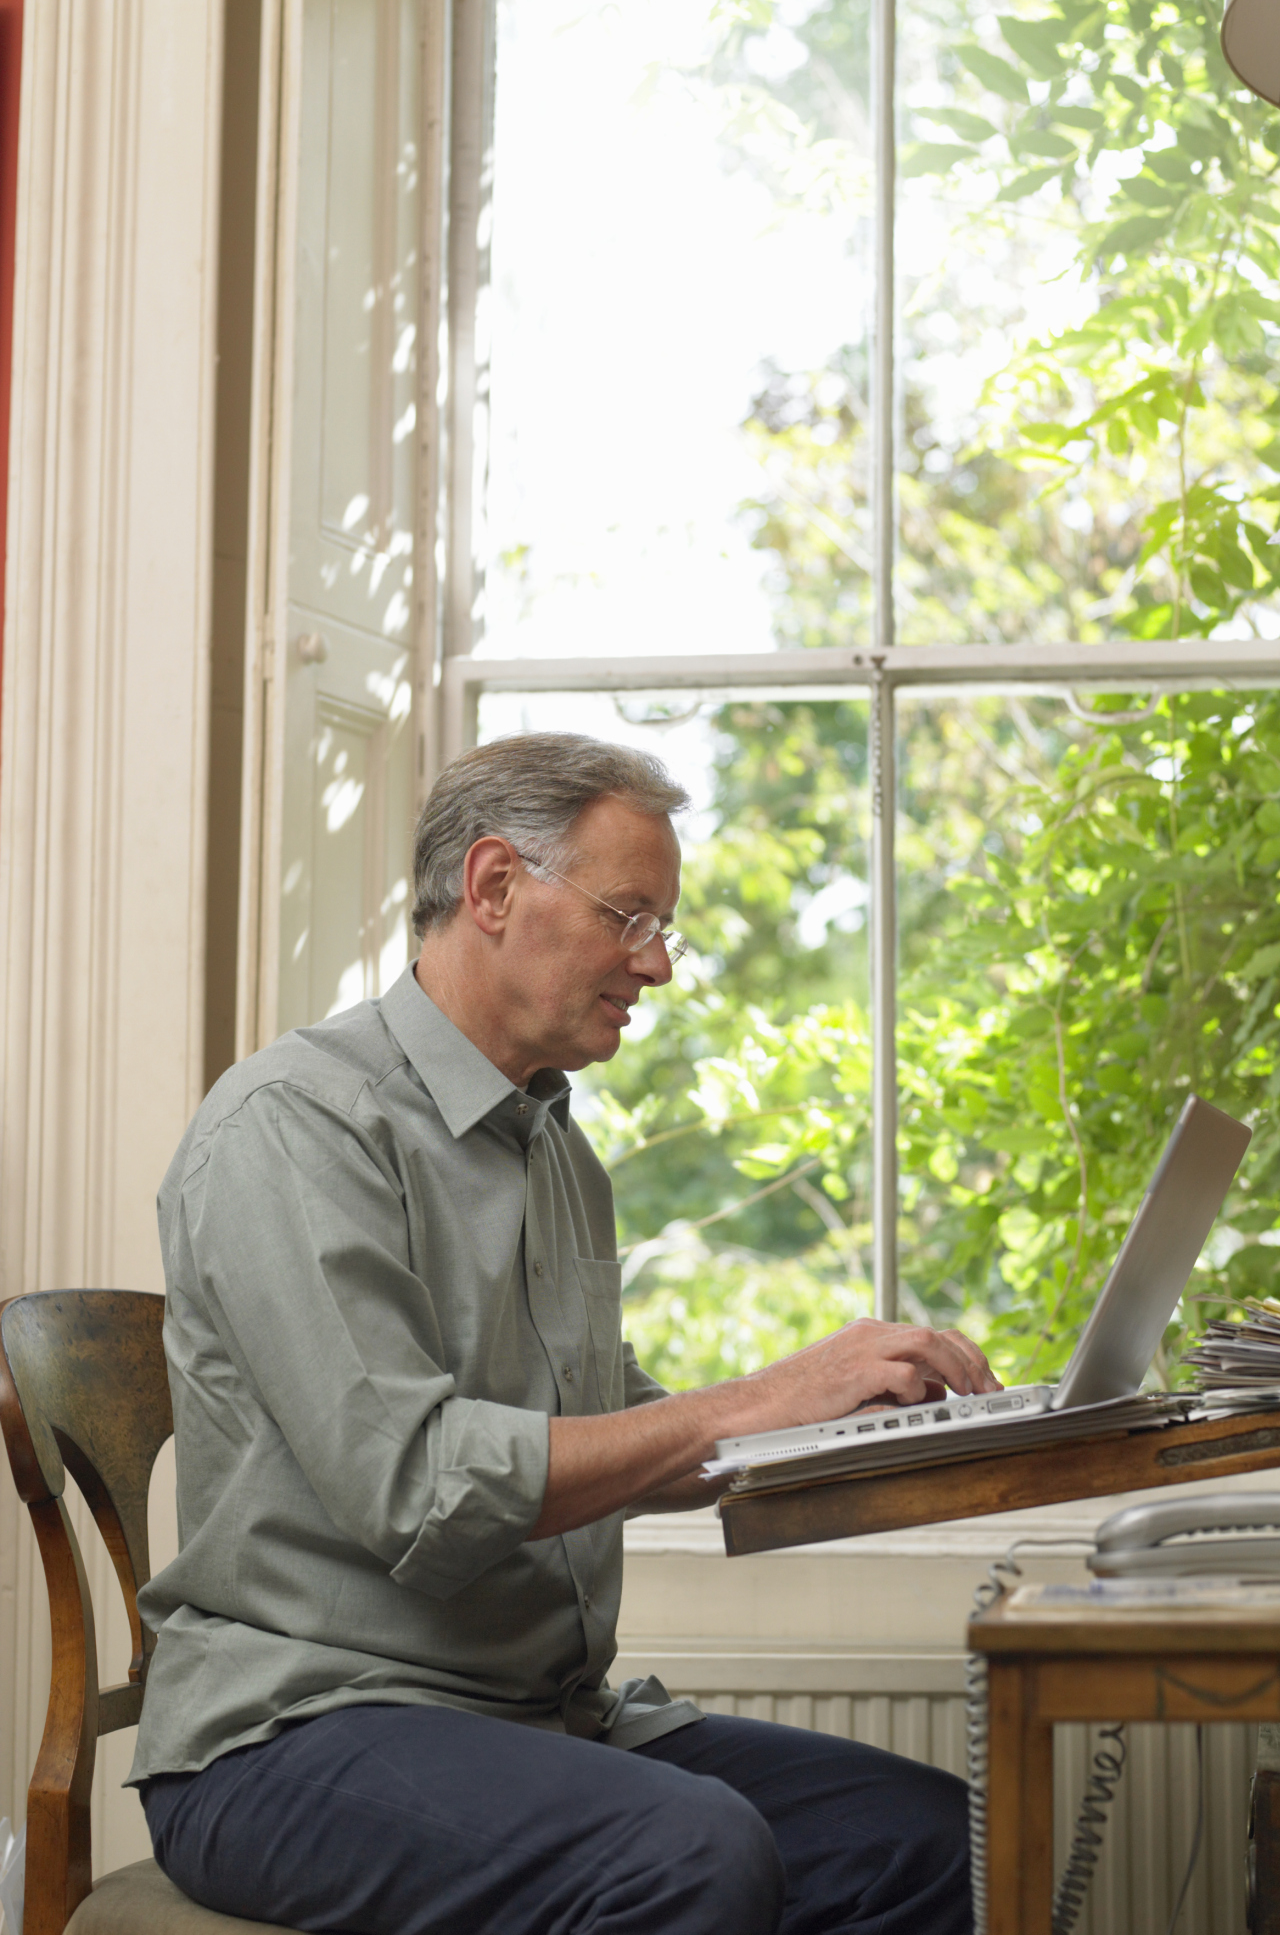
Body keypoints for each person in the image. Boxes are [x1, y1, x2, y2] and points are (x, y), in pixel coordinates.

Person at [131, 732, 998, 1935]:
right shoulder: (295, 1127)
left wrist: (840, 1419)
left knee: (926, 1838)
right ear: (492, 887)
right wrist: (768, 1391)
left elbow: (615, 1425)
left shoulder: (552, 1148)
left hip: (535, 1716)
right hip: (294, 1732)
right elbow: (419, 1486)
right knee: (687, 1849)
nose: (657, 965)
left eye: (663, 927)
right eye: (628, 915)